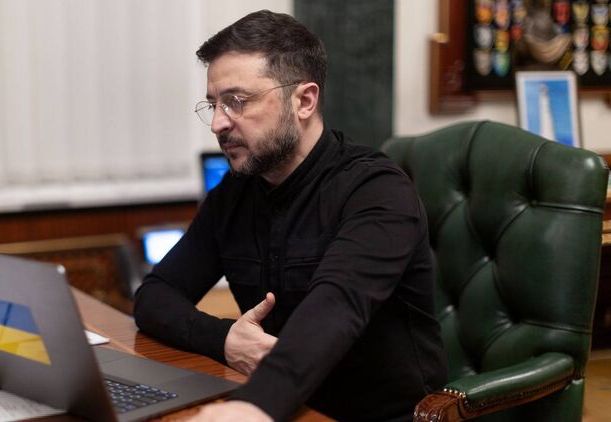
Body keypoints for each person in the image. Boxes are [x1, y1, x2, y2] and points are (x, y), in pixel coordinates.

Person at [133, 10, 447, 422]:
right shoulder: (233, 194)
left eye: (236, 101)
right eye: (213, 104)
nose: (217, 123)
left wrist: (254, 405)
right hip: (291, 407)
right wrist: (225, 338)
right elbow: (154, 296)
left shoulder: (377, 190)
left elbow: (334, 310)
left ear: (304, 101)